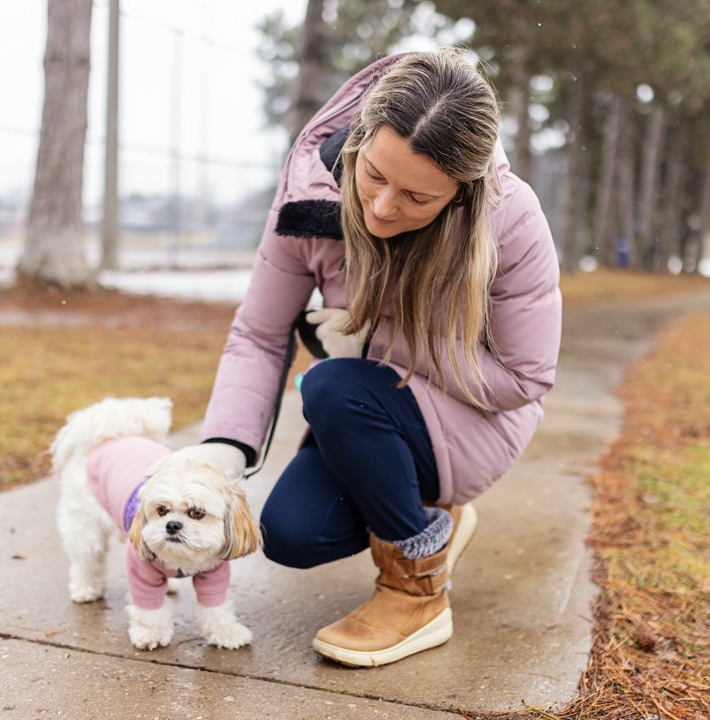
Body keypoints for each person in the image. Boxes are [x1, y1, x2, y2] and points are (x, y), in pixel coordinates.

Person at [147, 48, 562, 667]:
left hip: (473, 418)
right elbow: (260, 334)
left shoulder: (509, 216)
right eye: (373, 175)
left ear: (460, 194)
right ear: (358, 139)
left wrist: (374, 344)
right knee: (289, 534)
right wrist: (225, 448)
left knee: (332, 385)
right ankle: (428, 515)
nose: (384, 207)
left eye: (418, 197)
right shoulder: (305, 199)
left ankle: (417, 587)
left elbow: (525, 377)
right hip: (370, 413)